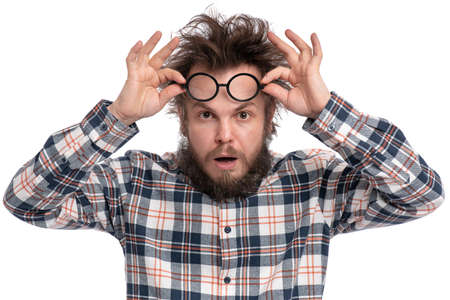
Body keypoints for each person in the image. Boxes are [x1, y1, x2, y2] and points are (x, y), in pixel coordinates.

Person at [3, 12, 444, 299]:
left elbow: (421, 195)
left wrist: (328, 113)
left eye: (244, 114)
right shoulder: (133, 184)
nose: (225, 135)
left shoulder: (315, 183)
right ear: (182, 118)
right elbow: (26, 200)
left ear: (272, 114)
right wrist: (116, 118)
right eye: (206, 115)